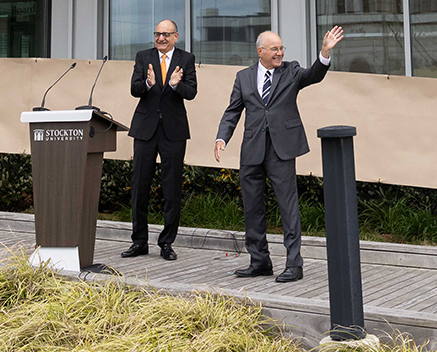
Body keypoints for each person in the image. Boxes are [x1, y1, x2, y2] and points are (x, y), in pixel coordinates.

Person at [214, 26, 344, 284]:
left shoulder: (291, 71)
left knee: (288, 208)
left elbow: (313, 76)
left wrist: (324, 53)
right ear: (260, 51)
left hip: (281, 149)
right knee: (252, 208)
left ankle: (294, 265)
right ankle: (260, 261)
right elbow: (233, 112)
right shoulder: (243, 77)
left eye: (281, 48)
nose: (280, 53)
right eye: (274, 49)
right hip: (251, 150)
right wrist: (221, 137)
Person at [122, 19, 197, 261]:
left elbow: (192, 92)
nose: (161, 38)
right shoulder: (143, 57)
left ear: (176, 36)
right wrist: (148, 83)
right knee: (139, 187)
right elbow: (134, 89)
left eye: (166, 34)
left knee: (172, 189)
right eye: (157, 34)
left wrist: (176, 86)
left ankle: (166, 243)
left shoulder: (186, 59)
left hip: (173, 131)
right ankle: (139, 242)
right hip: (145, 130)